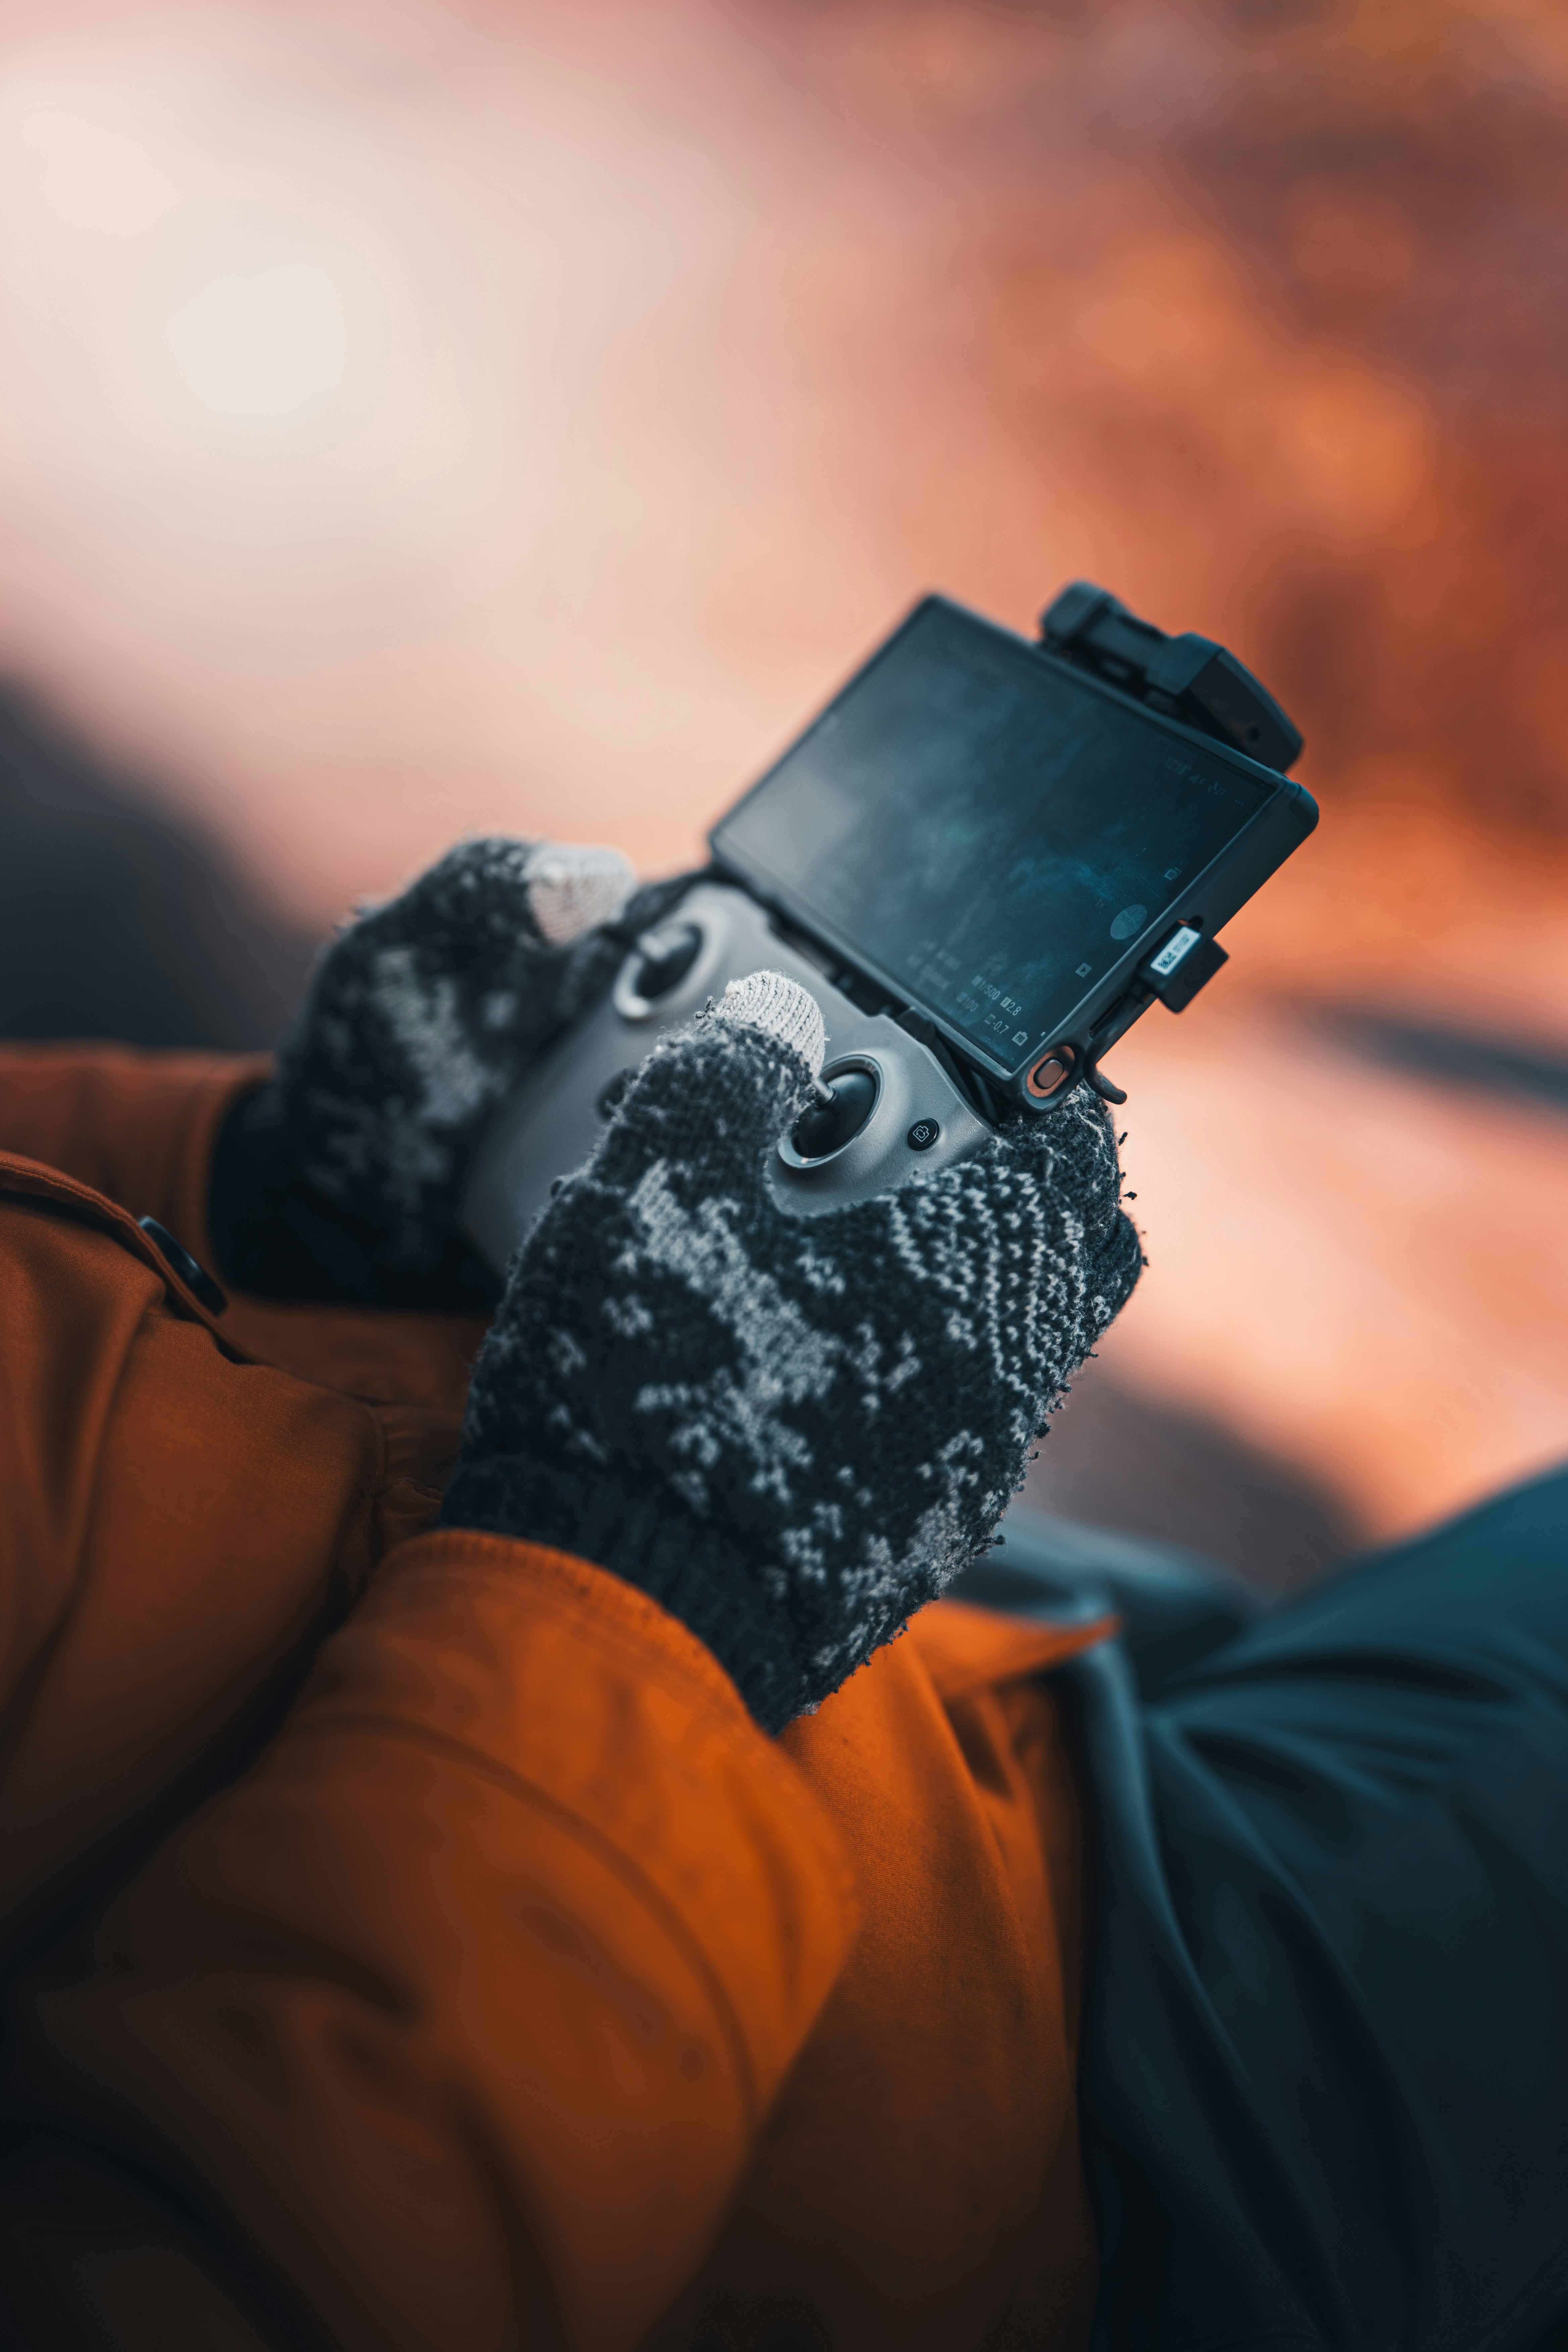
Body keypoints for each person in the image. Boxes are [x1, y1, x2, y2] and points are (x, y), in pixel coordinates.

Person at [0, 839, 1562, 2352]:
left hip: (768, 1622)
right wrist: (651, 1576)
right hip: (982, 2100)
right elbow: (251, 2267)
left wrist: (256, 1182)